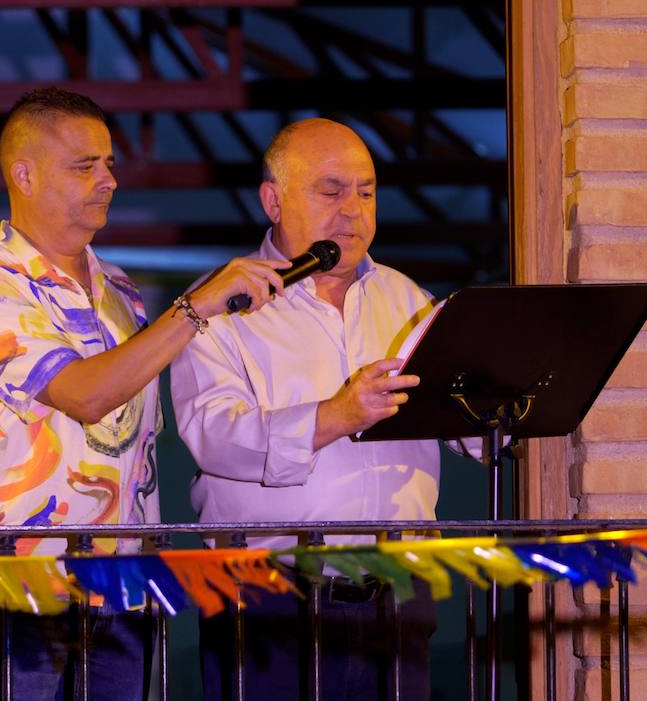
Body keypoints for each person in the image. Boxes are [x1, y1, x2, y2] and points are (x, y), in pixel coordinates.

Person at [0, 87, 289, 701]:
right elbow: (86, 396)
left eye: (109, 164)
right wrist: (195, 306)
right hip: (21, 588)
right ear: (23, 173)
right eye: (84, 166)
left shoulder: (119, 290)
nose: (108, 181)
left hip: (122, 588)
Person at [169, 117, 479, 699]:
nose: (353, 210)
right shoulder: (220, 303)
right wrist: (336, 415)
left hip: (399, 597)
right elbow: (213, 435)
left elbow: (470, 428)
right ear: (273, 200)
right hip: (266, 601)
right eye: (331, 191)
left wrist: (497, 398)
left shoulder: (409, 301)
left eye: (366, 191)